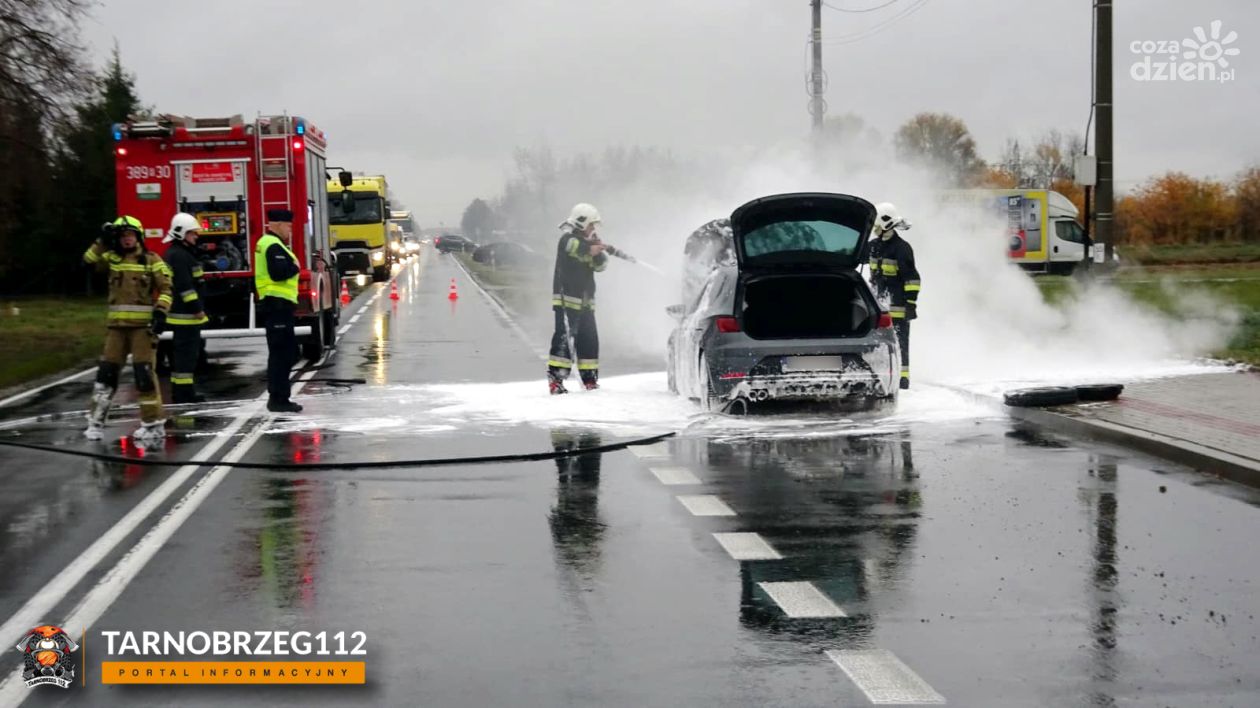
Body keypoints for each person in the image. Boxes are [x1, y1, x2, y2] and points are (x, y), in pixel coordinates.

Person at [82, 216, 173, 445]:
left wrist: (161, 312)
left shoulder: (152, 260)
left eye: (130, 235)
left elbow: (166, 288)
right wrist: (101, 240)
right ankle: (95, 423)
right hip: (116, 330)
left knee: (144, 375)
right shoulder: (111, 259)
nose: (126, 239)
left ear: (139, 236)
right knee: (106, 375)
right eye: (122, 236)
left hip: (142, 330)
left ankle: (152, 424)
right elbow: (88, 262)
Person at [548, 203, 607, 394]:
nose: (593, 229)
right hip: (566, 300)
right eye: (591, 225)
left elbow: (601, 265)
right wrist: (591, 248)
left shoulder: (588, 245)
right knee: (564, 340)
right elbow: (574, 247)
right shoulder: (568, 240)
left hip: (585, 302)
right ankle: (556, 380)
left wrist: (598, 250)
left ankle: (590, 380)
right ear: (581, 223)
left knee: (589, 340)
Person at [867, 202, 921, 390]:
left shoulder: (902, 248)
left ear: (886, 223)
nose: (874, 230)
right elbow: (855, 257)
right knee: (878, 343)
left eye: (876, 226)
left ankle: (903, 377)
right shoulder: (873, 246)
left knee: (900, 340)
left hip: (898, 307)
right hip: (878, 307)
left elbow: (912, 279)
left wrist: (911, 305)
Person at [254, 209, 303, 413]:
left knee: (285, 352)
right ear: (278, 224)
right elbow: (278, 273)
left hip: (277, 306)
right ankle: (278, 399)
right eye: (289, 226)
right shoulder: (272, 245)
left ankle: (280, 396)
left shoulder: (269, 243)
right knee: (282, 354)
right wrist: (295, 266)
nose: (290, 231)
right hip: (277, 306)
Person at [162, 213, 209, 403]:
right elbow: (185, 287)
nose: (196, 236)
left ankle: (182, 392)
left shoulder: (179, 253)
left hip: (184, 314)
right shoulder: (179, 256)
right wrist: (197, 309)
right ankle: (184, 394)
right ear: (181, 234)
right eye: (192, 233)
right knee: (185, 357)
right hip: (185, 315)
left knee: (185, 356)